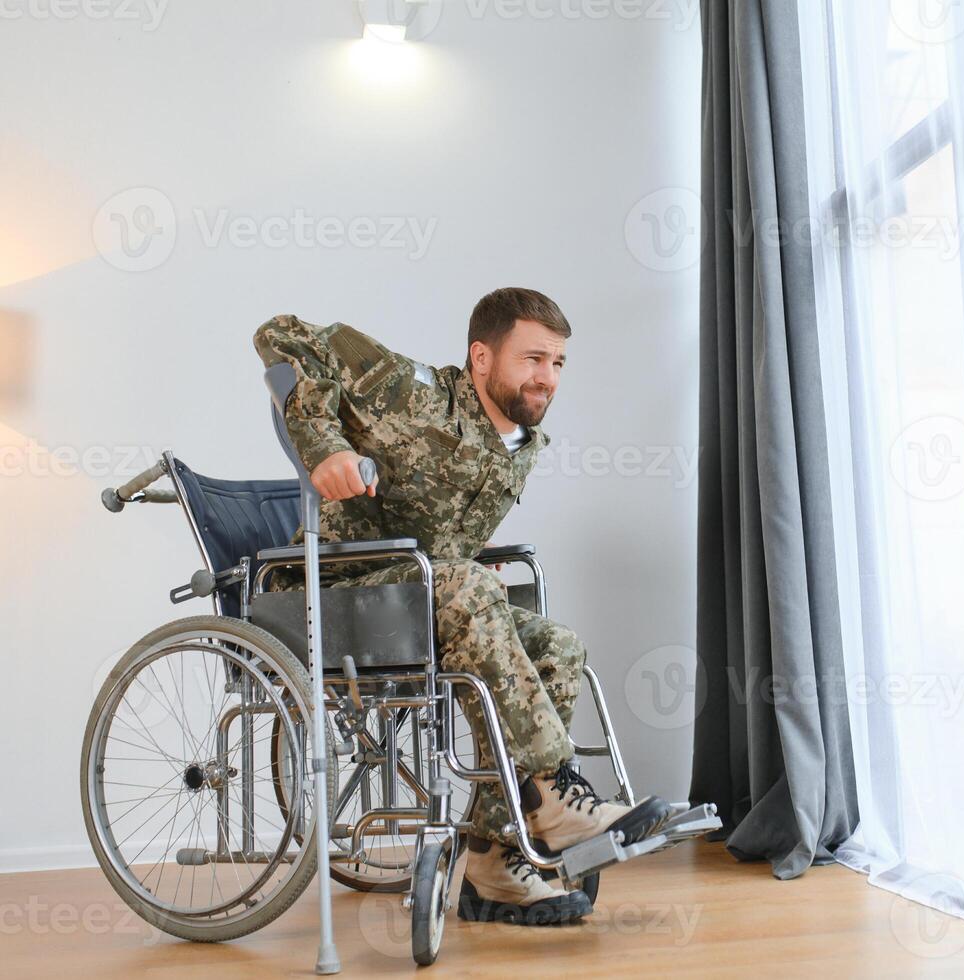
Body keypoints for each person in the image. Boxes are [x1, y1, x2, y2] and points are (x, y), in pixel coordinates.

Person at [253, 287, 672, 926]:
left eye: (557, 363)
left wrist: (464, 571)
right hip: (336, 593)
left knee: (557, 644)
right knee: (472, 589)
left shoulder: (522, 443)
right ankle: (554, 795)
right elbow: (283, 333)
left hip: (420, 595)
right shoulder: (410, 390)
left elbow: (440, 536)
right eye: (533, 358)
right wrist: (325, 448)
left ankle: (494, 861)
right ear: (481, 357)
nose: (547, 378)